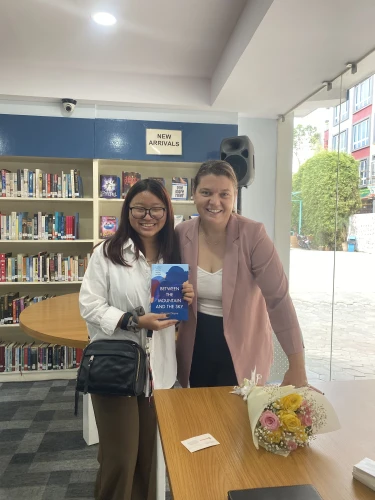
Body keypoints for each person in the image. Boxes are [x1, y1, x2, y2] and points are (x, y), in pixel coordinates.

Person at [79, 179, 194, 500]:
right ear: (127, 211)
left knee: (149, 461)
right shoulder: (107, 252)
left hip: (159, 373)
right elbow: (89, 305)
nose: (148, 215)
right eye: (139, 208)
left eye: (156, 208)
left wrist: (185, 297)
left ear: (167, 212)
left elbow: (173, 318)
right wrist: (133, 321)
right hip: (117, 369)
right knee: (120, 459)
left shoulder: (173, 256)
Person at [175, 160, 307, 389]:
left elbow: (279, 300)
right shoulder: (181, 233)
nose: (214, 202)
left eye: (224, 194)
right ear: (194, 194)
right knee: (201, 419)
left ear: (234, 196)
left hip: (245, 347)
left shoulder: (253, 235)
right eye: (206, 192)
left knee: (239, 420)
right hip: (196, 347)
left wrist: (297, 365)